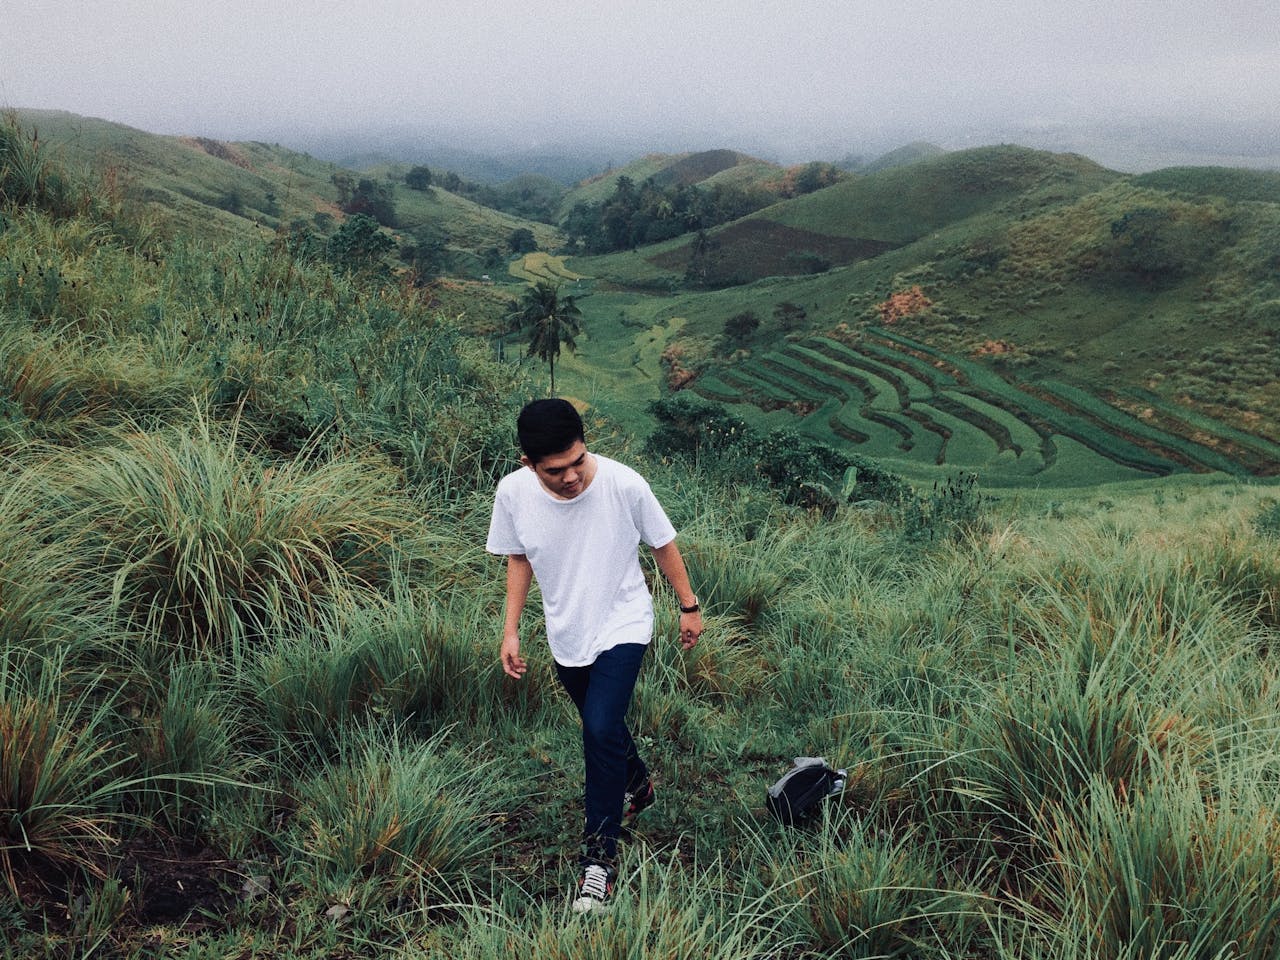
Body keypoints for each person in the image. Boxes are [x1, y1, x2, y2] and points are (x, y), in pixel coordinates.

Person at [486, 398, 703, 914]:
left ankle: (598, 865)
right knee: (600, 725)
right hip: (567, 632)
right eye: (554, 470)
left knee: (599, 727)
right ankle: (637, 781)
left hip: (624, 621)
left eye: (578, 462)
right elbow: (519, 558)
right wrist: (511, 630)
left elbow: (663, 543)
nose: (571, 477)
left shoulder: (624, 484)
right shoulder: (513, 494)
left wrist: (689, 606)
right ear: (528, 464)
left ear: (586, 447)